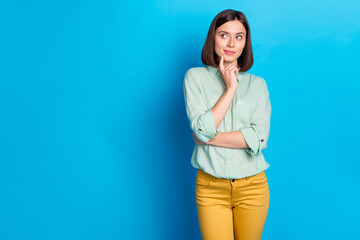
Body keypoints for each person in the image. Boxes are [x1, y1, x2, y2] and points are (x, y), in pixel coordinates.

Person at [183, 9, 272, 240]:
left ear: (245, 43)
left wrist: (210, 137)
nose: (231, 42)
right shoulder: (195, 78)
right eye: (224, 35)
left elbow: (259, 139)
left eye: (239, 36)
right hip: (210, 188)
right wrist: (231, 88)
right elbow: (202, 130)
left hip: (253, 187)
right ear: (213, 37)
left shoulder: (258, 85)